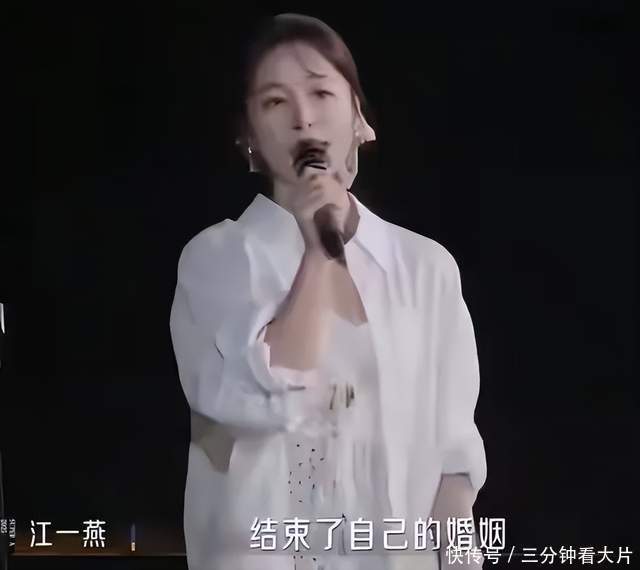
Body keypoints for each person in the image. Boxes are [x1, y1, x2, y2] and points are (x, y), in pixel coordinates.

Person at [170, 13, 487, 570]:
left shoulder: (425, 268)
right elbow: (254, 398)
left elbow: (453, 461)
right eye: (275, 101)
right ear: (249, 138)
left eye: (320, 92)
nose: (303, 118)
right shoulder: (218, 260)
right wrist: (319, 251)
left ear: (359, 119)